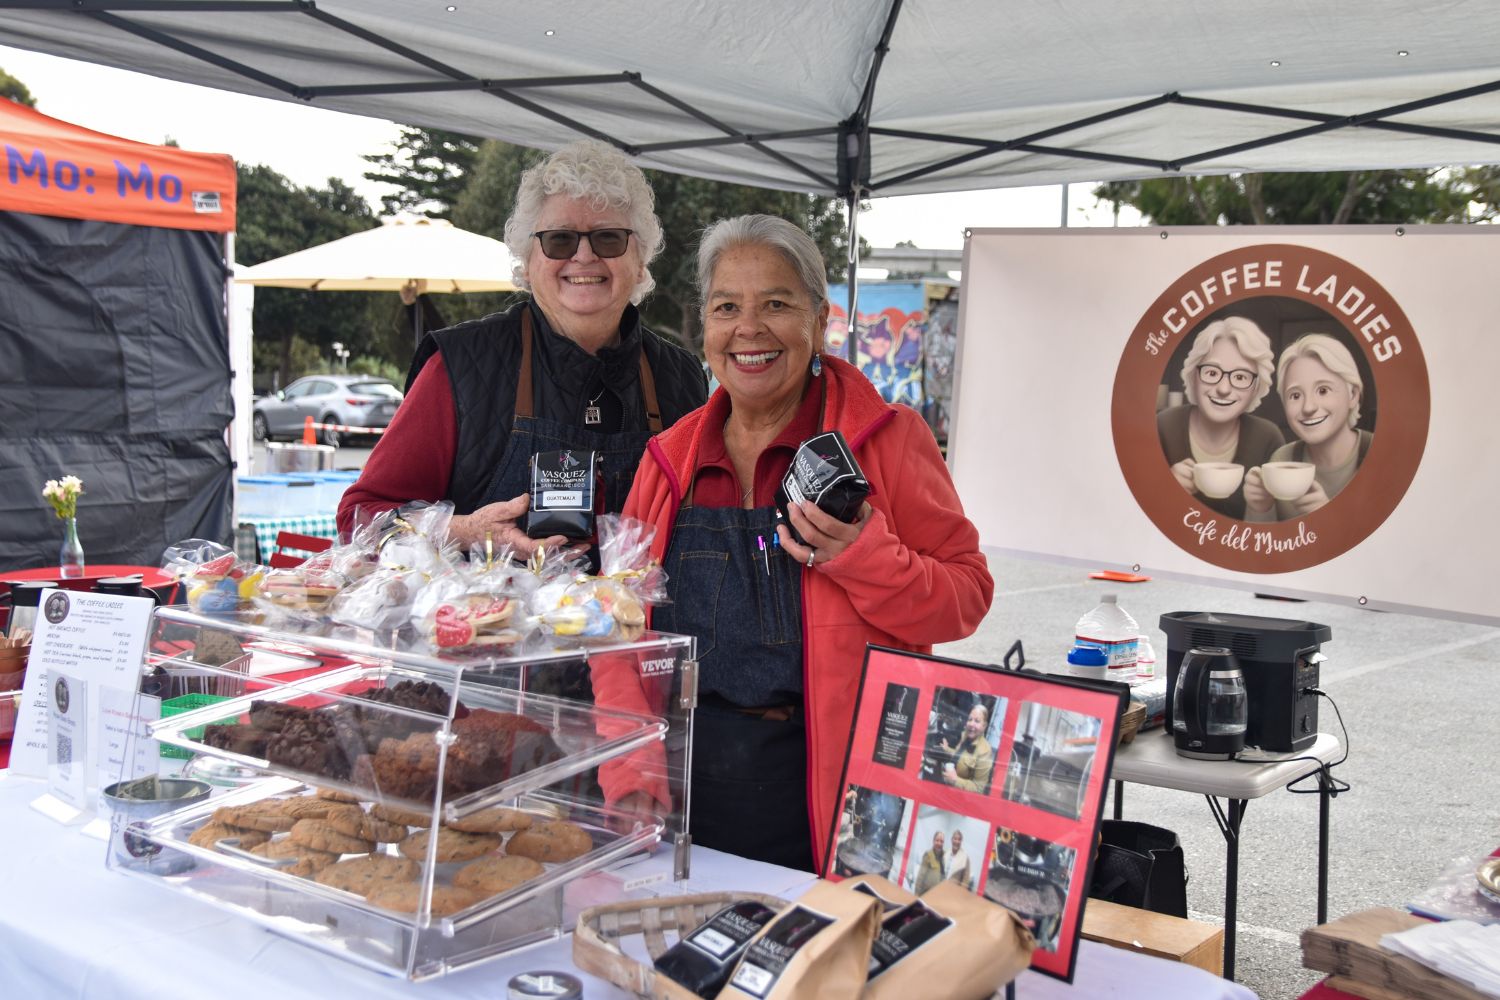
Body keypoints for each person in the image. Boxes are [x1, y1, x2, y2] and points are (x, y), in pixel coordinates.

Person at [610, 214, 993, 872]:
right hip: (684, 793)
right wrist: (629, 772)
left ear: (820, 322)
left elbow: (965, 597)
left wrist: (862, 557)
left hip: (834, 799)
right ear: (705, 325)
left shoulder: (889, 439)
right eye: (727, 306)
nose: (749, 329)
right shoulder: (667, 461)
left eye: (777, 304)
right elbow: (618, 635)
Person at [337, 139, 707, 550]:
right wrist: (463, 532)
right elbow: (360, 517)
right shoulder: (460, 366)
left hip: (639, 615)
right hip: (489, 614)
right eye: (559, 239)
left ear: (640, 261)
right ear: (528, 262)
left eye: (608, 238)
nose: (584, 256)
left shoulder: (681, 377)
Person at [1157, 316, 1284, 519]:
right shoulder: (1162, 427)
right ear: (1193, 376)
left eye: (1241, 377)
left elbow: (1275, 535)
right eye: (1212, 372)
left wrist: (1264, 507)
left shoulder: (1267, 437)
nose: (1224, 389)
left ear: (1256, 387)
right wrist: (1164, 491)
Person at [1244, 334, 1372, 521]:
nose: (1308, 407)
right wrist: (1260, 508)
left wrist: (1328, 518)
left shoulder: (1380, 453)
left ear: (1352, 395)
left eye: (1323, 390)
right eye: (1295, 395)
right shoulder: (1282, 459)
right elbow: (1263, 544)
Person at [940, 702, 995, 793]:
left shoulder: (985, 751)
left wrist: (955, 780)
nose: (971, 724)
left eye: (977, 721)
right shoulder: (965, 735)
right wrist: (947, 749)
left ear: (984, 726)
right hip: (947, 786)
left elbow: (979, 788)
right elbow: (959, 756)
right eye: (970, 719)